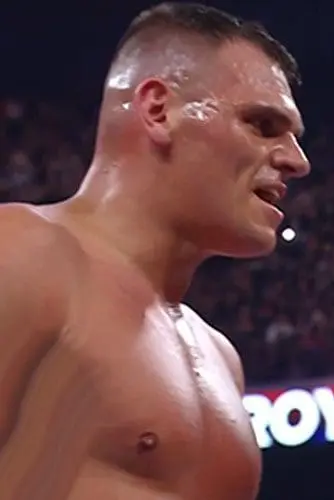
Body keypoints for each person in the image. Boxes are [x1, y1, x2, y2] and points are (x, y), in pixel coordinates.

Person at [0, 3, 309, 499]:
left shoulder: (219, 356)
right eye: (262, 124)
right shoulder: (22, 254)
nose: (297, 161)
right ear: (159, 111)